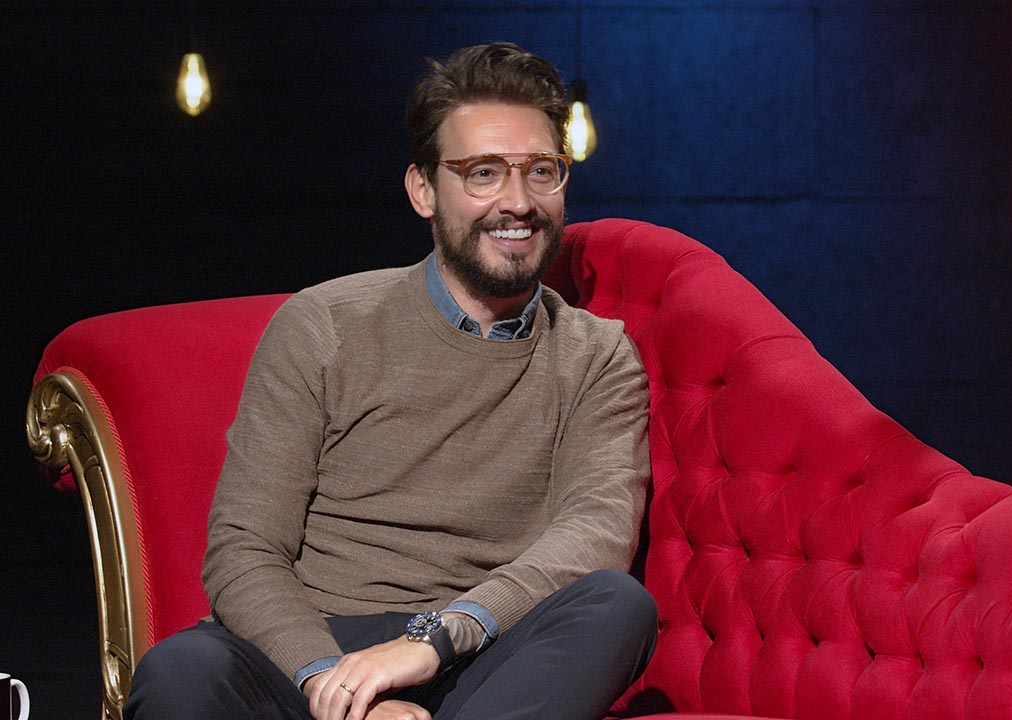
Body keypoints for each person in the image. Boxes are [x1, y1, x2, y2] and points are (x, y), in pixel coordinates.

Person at [124, 42, 656, 720]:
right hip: (314, 654)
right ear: (423, 190)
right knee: (180, 671)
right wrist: (336, 687)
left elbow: (594, 533)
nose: (519, 202)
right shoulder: (324, 324)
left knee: (617, 604)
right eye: (483, 173)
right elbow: (245, 549)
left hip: (479, 657)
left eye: (541, 172)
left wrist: (434, 640)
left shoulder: (597, 354)